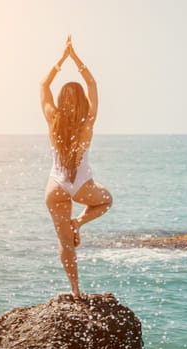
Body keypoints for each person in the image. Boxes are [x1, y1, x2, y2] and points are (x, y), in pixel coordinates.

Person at [40, 35, 113, 297]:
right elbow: (92, 83)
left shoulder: (53, 118)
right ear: (82, 100)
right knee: (106, 200)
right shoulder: (88, 121)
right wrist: (75, 58)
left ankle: (75, 291)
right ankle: (79, 223)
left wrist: (61, 60)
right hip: (82, 185)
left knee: (65, 244)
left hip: (55, 186)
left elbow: (44, 84)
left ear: (61, 99)